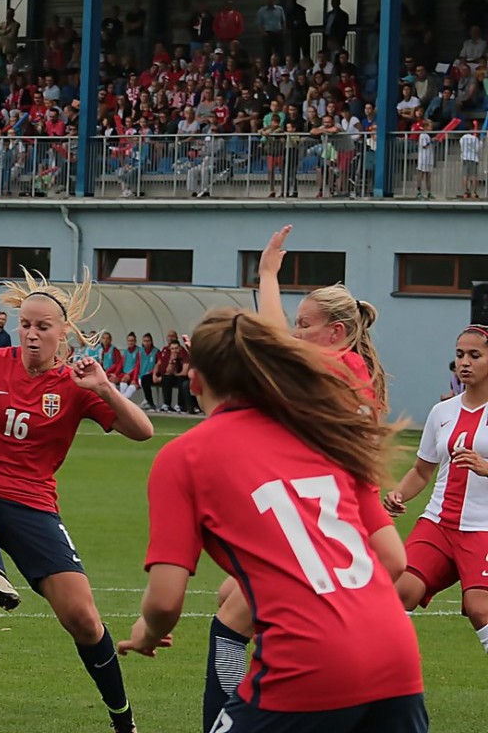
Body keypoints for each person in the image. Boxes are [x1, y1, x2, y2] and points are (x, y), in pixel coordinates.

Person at [118, 308, 426, 733]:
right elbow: (391, 559)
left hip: (309, 663)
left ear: (194, 379)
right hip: (397, 657)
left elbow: (165, 601)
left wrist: (147, 633)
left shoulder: (184, 457)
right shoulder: (319, 432)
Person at [0, 268, 154, 733]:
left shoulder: (74, 384)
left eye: (43, 326)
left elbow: (143, 431)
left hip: (35, 505)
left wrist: (103, 388)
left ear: (64, 332)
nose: (32, 333)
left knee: (83, 619)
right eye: (25, 324)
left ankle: (123, 719)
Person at [198, 224, 390, 731]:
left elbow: (273, 339)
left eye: (307, 325)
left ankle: (225, 721)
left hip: (321, 529)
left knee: (232, 618)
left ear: (337, 332)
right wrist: (265, 275)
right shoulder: (343, 368)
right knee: (230, 598)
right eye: (299, 324)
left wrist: (266, 275)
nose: (297, 332)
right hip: (325, 523)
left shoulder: (340, 369)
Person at [385, 325, 488, 663]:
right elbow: (421, 471)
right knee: (400, 591)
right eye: (460, 355)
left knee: (480, 610)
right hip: (438, 525)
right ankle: (385, 685)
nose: (465, 363)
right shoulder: (441, 412)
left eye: (475, 355)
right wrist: (398, 494)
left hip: (483, 530)